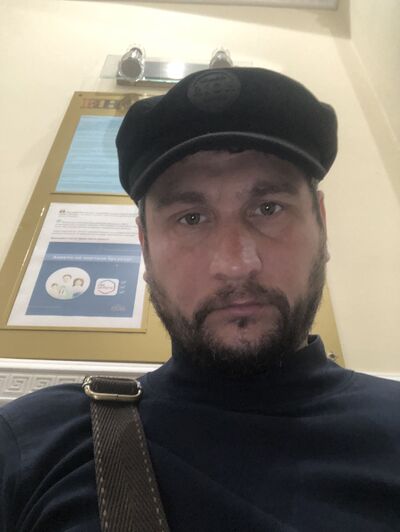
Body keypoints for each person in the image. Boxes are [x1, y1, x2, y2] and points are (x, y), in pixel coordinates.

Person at [1, 67, 400, 532]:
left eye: (268, 208)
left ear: (322, 225)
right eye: (191, 218)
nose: (236, 264)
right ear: (145, 247)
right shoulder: (33, 444)